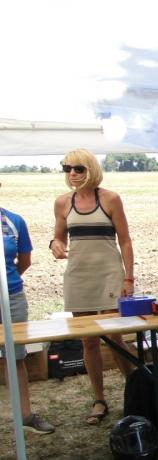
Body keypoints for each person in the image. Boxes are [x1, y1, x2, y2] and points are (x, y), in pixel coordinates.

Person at [50, 149, 135, 425]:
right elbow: (58, 238)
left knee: (114, 335)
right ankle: (99, 399)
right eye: (67, 168)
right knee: (88, 340)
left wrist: (129, 278)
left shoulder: (110, 199)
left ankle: (136, 389)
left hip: (109, 274)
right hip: (78, 278)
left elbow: (125, 240)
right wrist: (56, 245)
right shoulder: (62, 203)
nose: (72, 174)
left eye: (79, 168)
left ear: (91, 170)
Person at [0, 182, 54, 434]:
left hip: (12, 297)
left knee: (15, 357)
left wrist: (8, 283)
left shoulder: (14, 221)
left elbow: (25, 260)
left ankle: (25, 416)